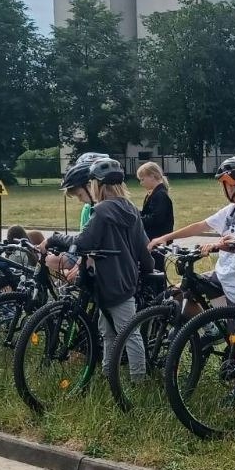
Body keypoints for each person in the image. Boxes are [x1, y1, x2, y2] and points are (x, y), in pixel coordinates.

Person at [64, 158, 149, 382]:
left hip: (107, 280)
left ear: (97, 185)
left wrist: (55, 239)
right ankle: (112, 374)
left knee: (119, 333)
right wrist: (149, 271)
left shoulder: (100, 211)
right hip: (126, 279)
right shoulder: (131, 208)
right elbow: (143, 245)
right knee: (121, 332)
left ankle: (135, 379)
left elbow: (84, 241)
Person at [148, 156, 235, 308]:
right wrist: (165, 237)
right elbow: (201, 225)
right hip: (221, 275)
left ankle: (215, 324)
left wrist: (217, 245)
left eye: (223, 184)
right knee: (178, 294)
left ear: (229, 185)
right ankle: (209, 329)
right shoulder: (232, 209)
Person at [137, 161, 175, 241]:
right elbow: (148, 213)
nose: (141, 183)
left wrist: (137, 219)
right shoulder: (153, 193)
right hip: (154, 236)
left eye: (142, 179)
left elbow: (156, 219)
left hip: (157, 238)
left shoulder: (160, 195)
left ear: (152, 176)